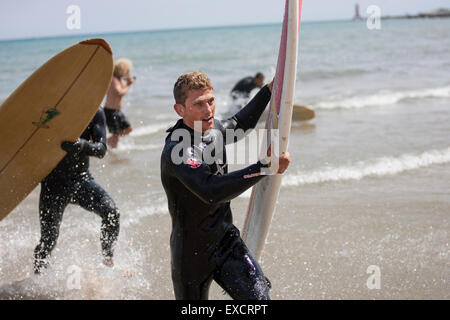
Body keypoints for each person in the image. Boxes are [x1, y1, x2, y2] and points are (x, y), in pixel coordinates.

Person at [160, 71, 290, 300]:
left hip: (226, 242)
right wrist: (264, 166)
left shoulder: (215, 130)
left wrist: (269, 91)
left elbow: (241, 123)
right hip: (192, 255)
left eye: (210, 100)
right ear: (180, 110)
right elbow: (210, 190)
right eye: (198, 104)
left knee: (260, 300)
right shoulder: (178, 151)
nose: (208, 110)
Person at [33, 107, 120, 274]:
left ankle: (107, 262)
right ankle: (38, 279)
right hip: (53, 184)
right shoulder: (47, 108)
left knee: (112, 213)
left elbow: (101, 149)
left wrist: (82, 145)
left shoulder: (94, 111)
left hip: (81, 179)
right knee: (48, 241)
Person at [104, 58, 135, 148]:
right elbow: (120, 92)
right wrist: (128, 84)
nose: (127, 72)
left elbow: (121, 90)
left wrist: (128, 82)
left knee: (129, 129)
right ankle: (110, 148)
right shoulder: (113, 79)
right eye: (126, 70)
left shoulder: (119, 79)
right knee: (116, 136)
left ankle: (108, 141)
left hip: (117, 111)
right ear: (121, 70)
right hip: (110, 111)